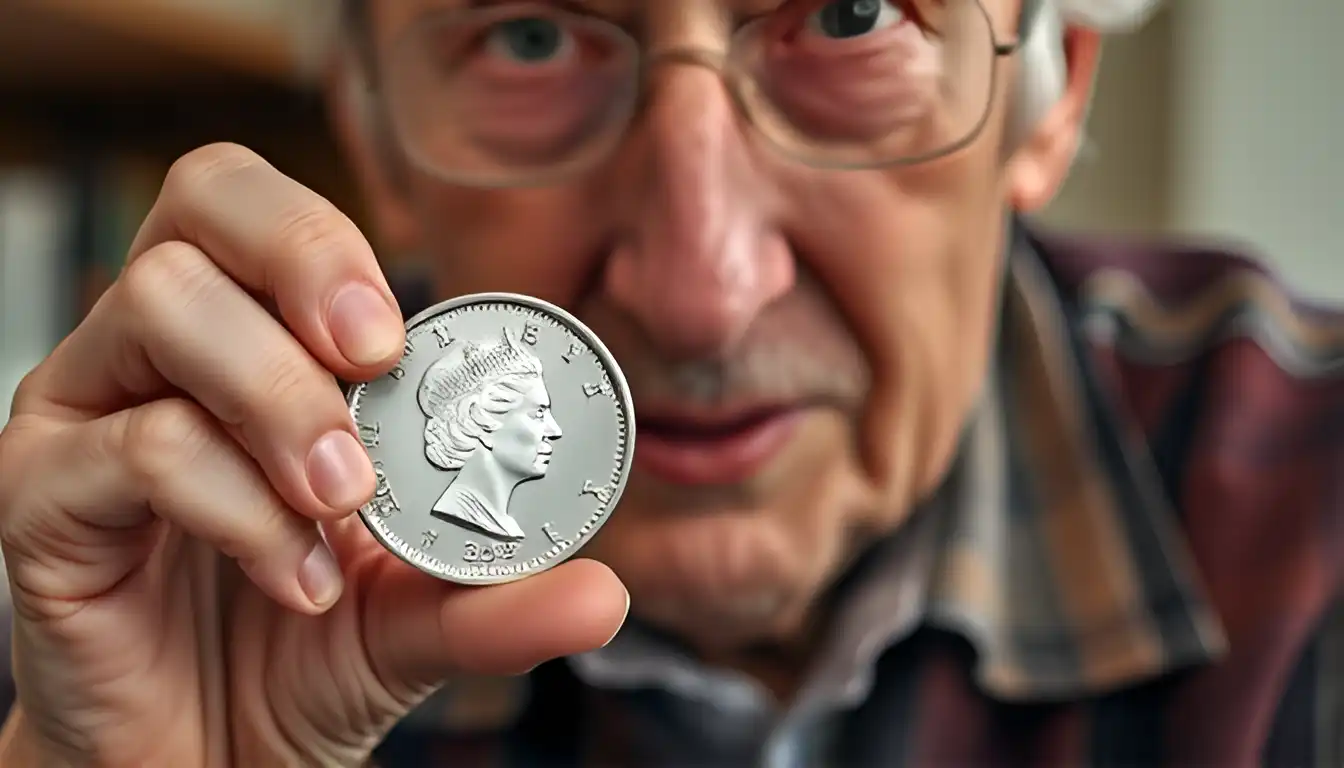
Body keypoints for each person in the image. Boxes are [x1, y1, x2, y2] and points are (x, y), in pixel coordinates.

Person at [0, 0, 1339, 765]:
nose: (703, 286)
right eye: (530, 35)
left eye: (852, 14)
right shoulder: (152, 591)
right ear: (382, 142)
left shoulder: (1318, 523)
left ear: (1047, 99)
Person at [418, 329, 561, 541]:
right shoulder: (465, 513)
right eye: (538, 413)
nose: (556, 431)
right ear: (479, 420)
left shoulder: (501, 523)